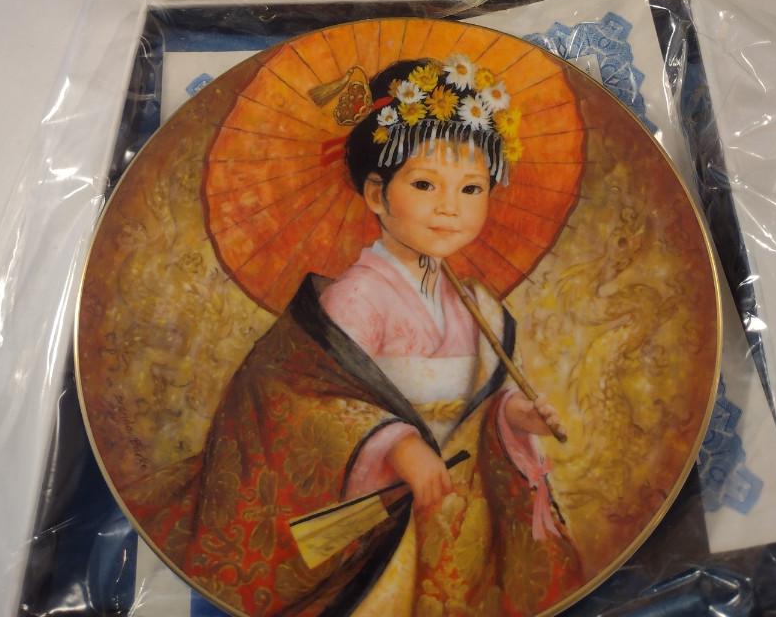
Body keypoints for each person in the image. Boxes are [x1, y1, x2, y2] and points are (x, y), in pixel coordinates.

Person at [129, 55, 582, 616]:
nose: (450, 208)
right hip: (388, 512)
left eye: (472, 188)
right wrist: (399, 445)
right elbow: (307, 401)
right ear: (375, 194)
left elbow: (476, 405)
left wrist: (514, 416)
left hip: (460, 509)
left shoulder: (475, 303)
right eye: (424, 183)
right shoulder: (358, 297)